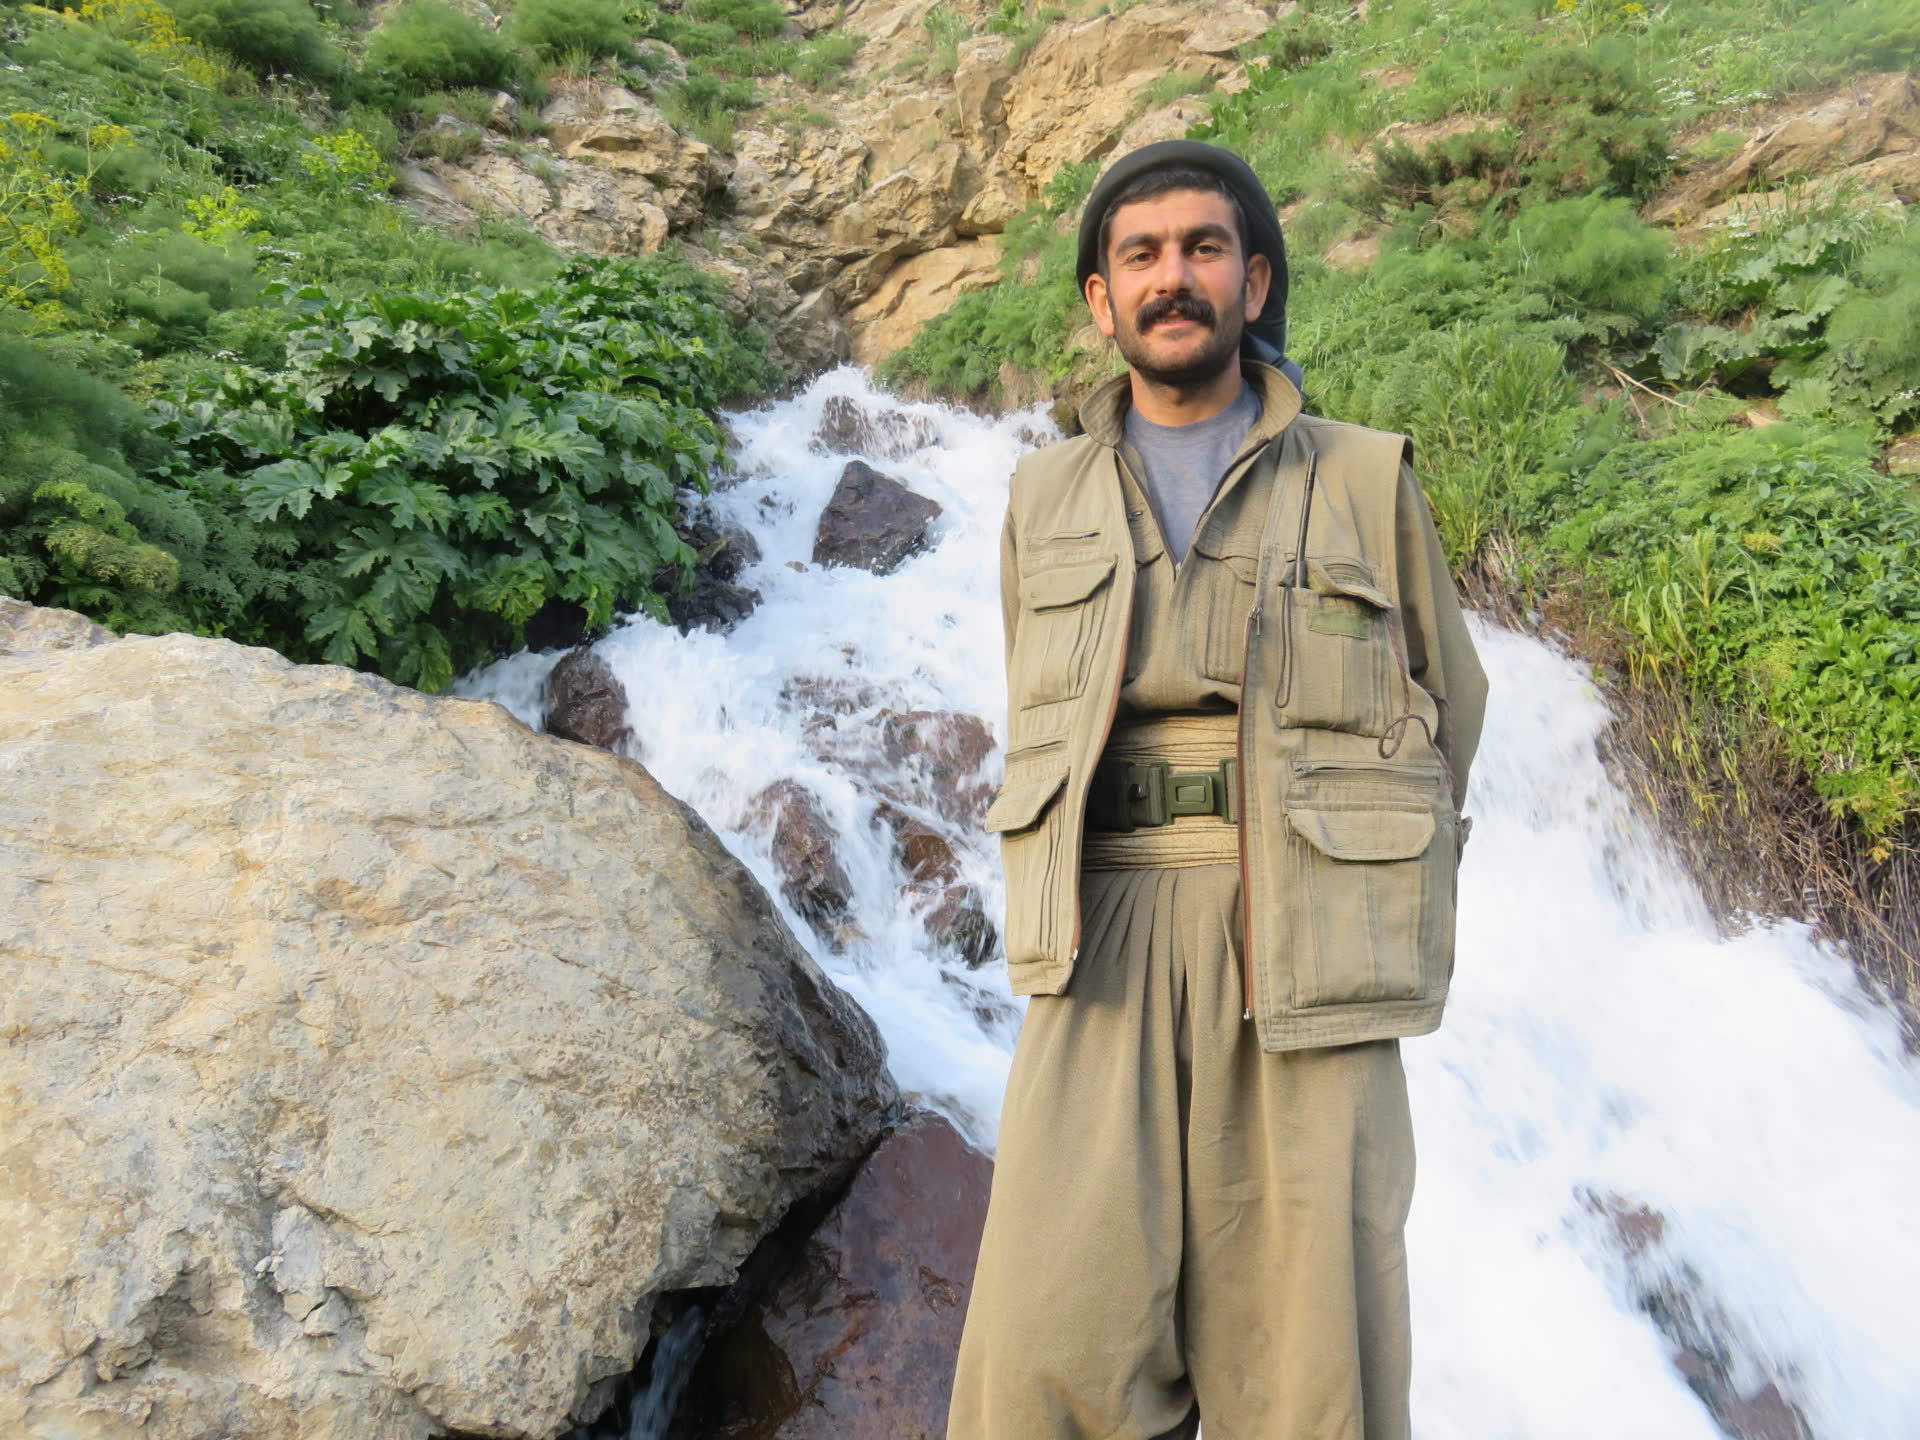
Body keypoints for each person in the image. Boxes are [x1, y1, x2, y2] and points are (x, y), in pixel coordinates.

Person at [947, 141, 1489, 1440]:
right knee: (1044, 1353)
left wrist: (1347, 869)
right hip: (1102, 938)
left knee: (1311, 1369)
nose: (1171, 277)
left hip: (1306, 946)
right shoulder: (1042, 494)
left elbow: (1449, 705)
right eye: (1140, 255)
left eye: (1202, 248)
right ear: (1101, 299)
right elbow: (1037, 693)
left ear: (1254, 282)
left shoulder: (1364, 478)